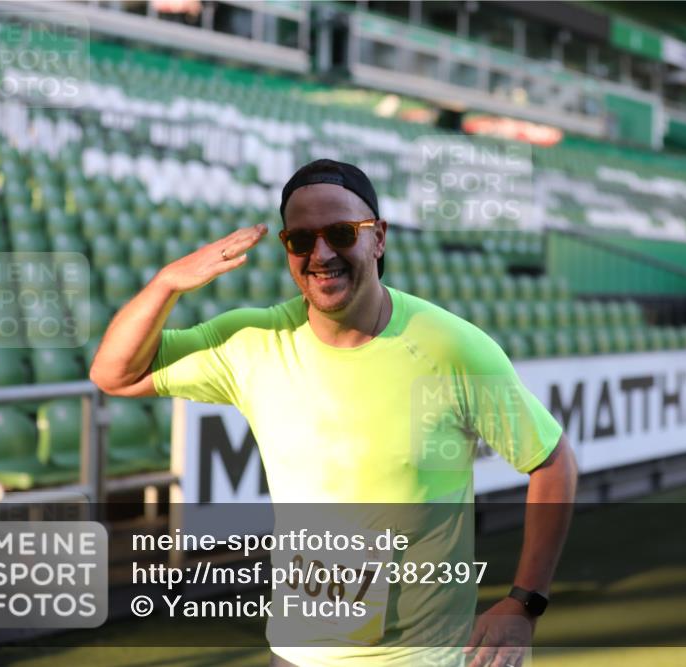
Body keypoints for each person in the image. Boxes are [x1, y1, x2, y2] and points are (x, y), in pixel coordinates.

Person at [90, 159, 578, 667]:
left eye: (341, 233)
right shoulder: (253, 344)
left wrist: (524, 603)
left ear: (379, 238)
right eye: (301, 240)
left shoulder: (452, 348)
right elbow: (113, 375)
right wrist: (167, 283)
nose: (321, 254)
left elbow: (551, 461)